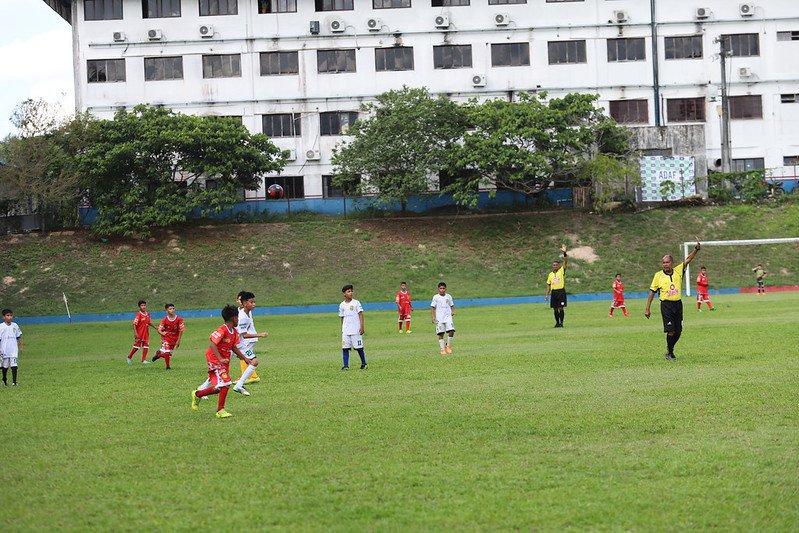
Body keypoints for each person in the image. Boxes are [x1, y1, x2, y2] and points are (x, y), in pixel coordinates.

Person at [645, 242, 701, 361]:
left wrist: (696, 249)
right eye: (663, 262)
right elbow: (652, 292)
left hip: (678, 304)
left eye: (667, 262)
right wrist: (647, 308)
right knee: (670, 331)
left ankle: (670, 349)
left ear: (672, 263)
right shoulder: (658, 276)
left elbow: (688, 259)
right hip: (666, 305)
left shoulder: (678, 270)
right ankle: (670, 353)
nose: (665, 264)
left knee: (678, 331)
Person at [191, 305, 248, 419]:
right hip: (215, 360)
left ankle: (198, 394)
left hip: (224, 362)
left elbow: (234, 347)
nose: (238, 319)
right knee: (226, 383)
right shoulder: (222, 329)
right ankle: (220, 410)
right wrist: (220, 358)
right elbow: (212, 343)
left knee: (220, 387)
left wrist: (244, 358)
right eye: (237, 317)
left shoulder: (234, 331)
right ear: (233, 318)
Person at [232, 291, 266, 396]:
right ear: (244, 303)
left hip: (240, 344)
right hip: (235, 344)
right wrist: (260, 334)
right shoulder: (242, 317)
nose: (254, 304)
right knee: (221, 367)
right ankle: (202, 389)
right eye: (251, 302)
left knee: (254, 362)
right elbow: (244, 335)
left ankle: (239, 384)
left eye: (254, 302)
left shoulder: (246, 313)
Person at [235, 291, 261, 385]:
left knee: (245, 357)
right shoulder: (241, 311)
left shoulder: (244, 313)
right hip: (245, 338)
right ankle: (247, 376)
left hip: (248, 338)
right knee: (245, 356)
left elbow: (244, 332)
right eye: (239, 299)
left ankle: (251, 376)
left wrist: (259, 334)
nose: (240, 301)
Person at [339, 285, 367, 370]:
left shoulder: (356, 303)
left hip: (355, 330)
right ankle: (346, 365)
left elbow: (360, 315)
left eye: (351, 291)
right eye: (348, 291)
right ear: (344, 294)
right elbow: (342, 317)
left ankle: (364, 363)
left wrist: (362, 327)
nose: (351, 293)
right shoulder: (342, 305)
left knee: (359, 348)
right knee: (345, 348)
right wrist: (342, 329)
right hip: (346, 330)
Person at [152, 303, 185, 369]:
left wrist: (178, 340)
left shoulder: (179, 319)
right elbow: (159, 329)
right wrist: (161, 333)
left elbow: (181, 330)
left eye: (173, 308)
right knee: (167, 352)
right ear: (167, 310)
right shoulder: (164, 320)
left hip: (174, 339)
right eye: (170, 309)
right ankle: (168, 367)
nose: (172, 310)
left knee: (168, 355)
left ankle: (159, 354)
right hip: (166, 338)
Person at [126, 300, 157, 365]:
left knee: (146, 346)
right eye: (142, 305)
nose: (143, 307)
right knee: (137, 346)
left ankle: (143, 360)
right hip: (139, 334)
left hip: (146, 334)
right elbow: (134, 324)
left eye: (144, 305)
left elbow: (149, 322)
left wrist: (156, 328)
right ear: (139, 307)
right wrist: (135, 333)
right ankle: (129, 357)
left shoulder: (147, 314)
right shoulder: (139, 314)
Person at [545, 245, 568, 327]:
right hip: (554, 292)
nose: (554, 266)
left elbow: (565, 261)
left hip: (561, 292)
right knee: (555, 309)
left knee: (561, 308)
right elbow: (548, 284)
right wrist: (547, 294)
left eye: (556, 265)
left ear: (559, 266)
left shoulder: (561, 271)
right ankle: (557, 323)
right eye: (553, 265)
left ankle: (561, 323)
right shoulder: (550, 275)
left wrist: (564, 253)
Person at [430, 282, 455, 355]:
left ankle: (448, 346)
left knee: (452, 330)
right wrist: (433, 317)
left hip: (448, 317)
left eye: (443, 288)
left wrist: (453, 311)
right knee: (441, 333)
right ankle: (442, 349)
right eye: (441, 288)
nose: (442, 290)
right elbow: (432, 307)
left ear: (445, 289)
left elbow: (452, 305)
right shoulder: (435, 297)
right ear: (438, 289)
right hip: (439, 318)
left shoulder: (448, 296)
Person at [0, 309, 22, 386]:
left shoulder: (15, 325)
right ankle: (4, 380)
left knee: (14, 365)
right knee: (5, 366)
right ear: (4, 317)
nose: (9, 317)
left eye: (11, 315)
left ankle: (14, 382)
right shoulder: (1, 327)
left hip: (13, 349)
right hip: (4, 350)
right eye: (7, 315)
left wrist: (20, 346)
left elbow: (18, 336)